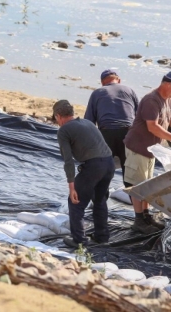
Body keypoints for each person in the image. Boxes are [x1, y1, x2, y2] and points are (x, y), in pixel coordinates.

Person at [122, 71, 171, 234]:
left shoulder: (168, 99)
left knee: (147, 184)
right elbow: (152, 126)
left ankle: (146, 215)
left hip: (151, 149)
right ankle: (138, 220)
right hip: (137, 147)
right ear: (167, 84)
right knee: (137, 184)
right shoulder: (151, 100)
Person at [53, 99, 115, 248]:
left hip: (94, 166)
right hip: (109, 163)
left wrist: (71, 187)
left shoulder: (64, 130)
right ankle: (102, 236)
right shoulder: (88, 123)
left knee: (75, 202)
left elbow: (68, 161)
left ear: (58, 116)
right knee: (99, 200)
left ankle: (79, 240)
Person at [84, 69, 139, 181]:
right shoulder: (129, 90)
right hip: (128, 134)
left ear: (102, 82)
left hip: (106, 134)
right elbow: (140, 116)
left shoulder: (97, 93)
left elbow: (89, 121)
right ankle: (132, 196)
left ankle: (102, 197)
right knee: (129, 174)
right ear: (118, 80)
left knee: (103, 172)